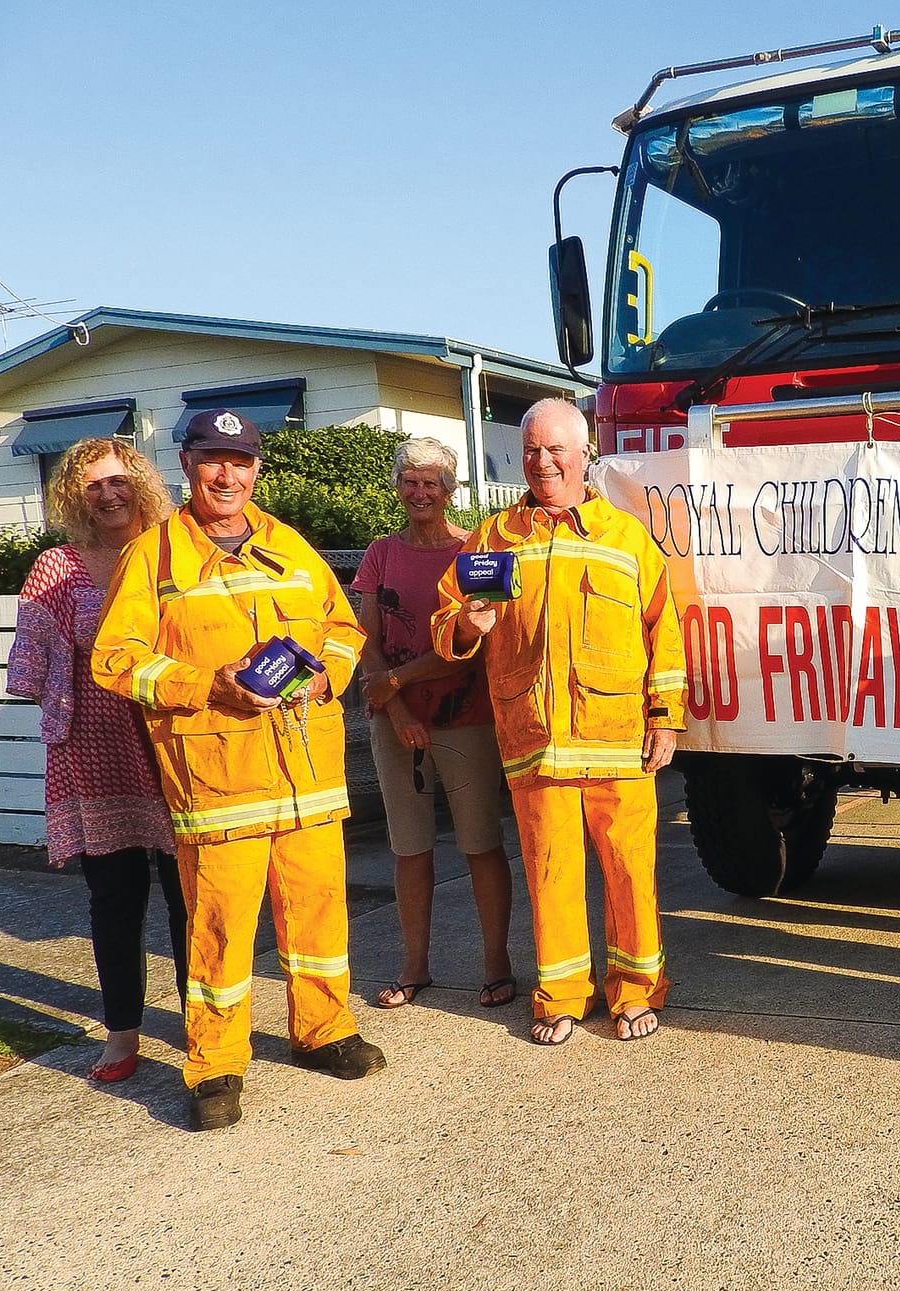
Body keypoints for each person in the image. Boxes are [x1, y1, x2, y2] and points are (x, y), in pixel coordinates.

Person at [92, 408, 380, 1131]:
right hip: (218, 781)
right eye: (213, 458)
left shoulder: (291, 545)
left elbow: (343, 629)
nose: (229, 473)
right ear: (186, 464)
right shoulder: (153, 556)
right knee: (219, 929)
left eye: (242, 460)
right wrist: (206, 687)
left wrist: (325, 681)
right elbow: (116, 659)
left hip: (308, 774)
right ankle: (216, 1064)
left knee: (318, 912)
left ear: (257, 469)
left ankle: (324, 1030)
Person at [430, 399, 685, 1046]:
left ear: (584, 455)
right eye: (533, 450)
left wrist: (666, 718)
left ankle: (635, 992)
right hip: (534, 739)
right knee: (550, 871)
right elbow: (445, 622)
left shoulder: (626, 537)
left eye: (556, 450)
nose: (543, 462)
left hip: (619, 738)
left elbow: (665, 632)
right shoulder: (493, 538)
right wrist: (466, 623)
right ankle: (562, 996)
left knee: (630, 870)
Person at [6, 438, 188, 1083]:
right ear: (71, 496)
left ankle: (207, 1022)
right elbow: (28, 666)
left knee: (189, 890)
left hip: (178, 736)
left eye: (119, 481)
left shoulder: (177, 550)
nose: (109, 494)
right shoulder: (58, 567)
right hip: (95, 745)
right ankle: (122, 1031)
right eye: (92, 485)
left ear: (140, 483)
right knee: (114, 896)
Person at [352, 437, 516, 1011]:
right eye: (411, 481)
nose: (420, 492)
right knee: (409, 849)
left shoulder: (475, 551)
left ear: (450, 490)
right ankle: (413, 966)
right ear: (398, 486)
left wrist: (396, 683)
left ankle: (497, 966)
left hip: (465, 717)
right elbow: (363, 638)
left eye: (432, 483)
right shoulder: (380, 553)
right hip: (393, 721)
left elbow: (470, 639)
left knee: (480, 845)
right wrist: (394, 708)